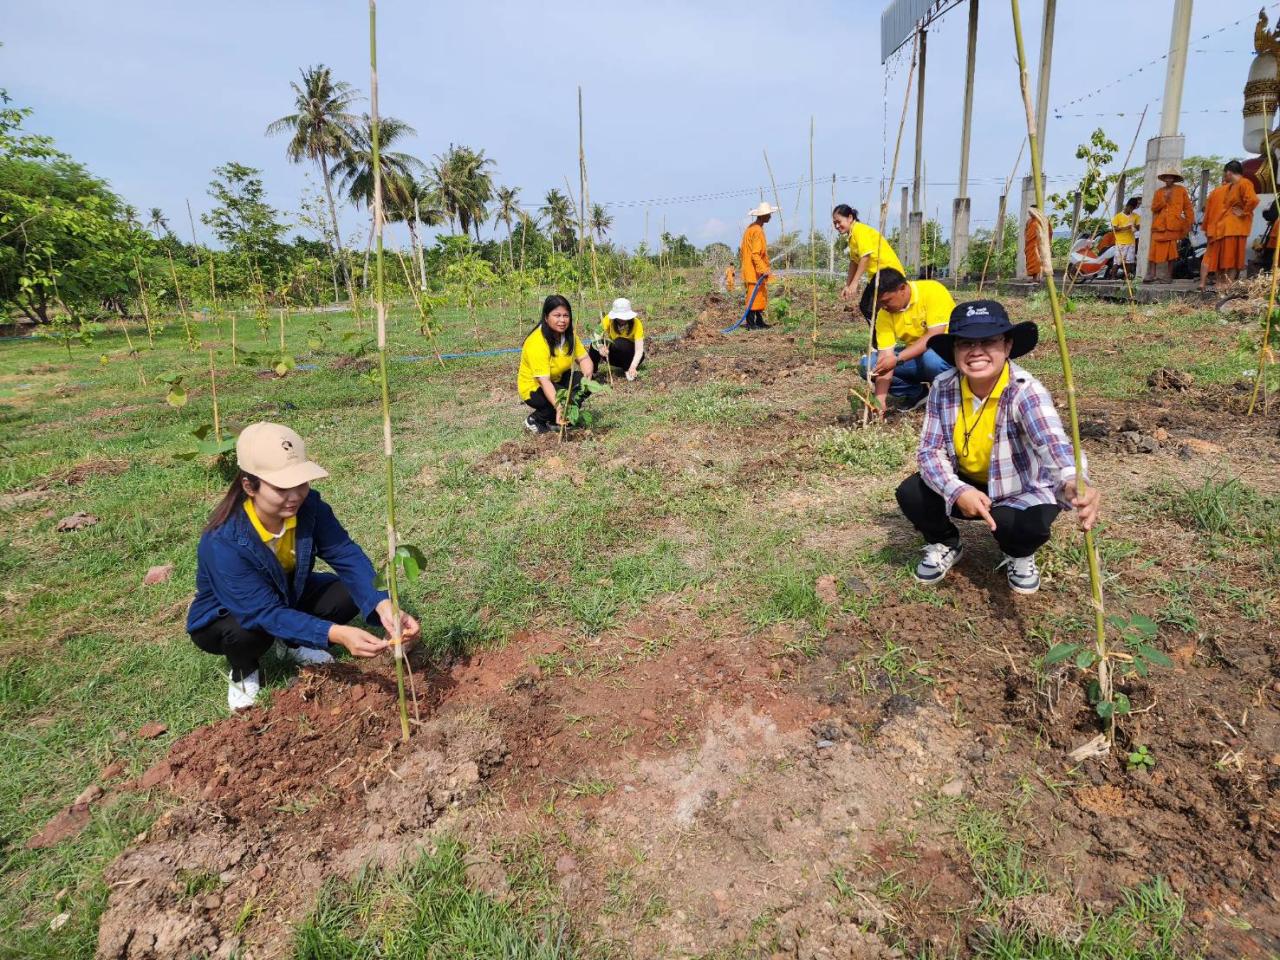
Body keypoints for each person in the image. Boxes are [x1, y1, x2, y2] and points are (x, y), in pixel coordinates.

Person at [187, 423, 421, 710]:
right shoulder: (224, 541)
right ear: (250, 486)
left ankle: (292, 643)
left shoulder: (309, 508)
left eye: (301, 483)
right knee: (246, 633)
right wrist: (336, 634)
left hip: (287, 592)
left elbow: (344, 554)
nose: (295, 495)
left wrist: (382, 604)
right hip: (229, 614)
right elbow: (262, 612)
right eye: (282, 488)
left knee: (350, 594)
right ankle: (244, 670)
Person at [894, 301, 1100, 595]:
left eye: (989, 341)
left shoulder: (1025, 390)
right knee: (912, 493)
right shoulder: (943, 386)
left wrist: (1072, 480)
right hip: (967, 482)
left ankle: (1019, 554)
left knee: (1025, 525)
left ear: (1007, 345)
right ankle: (945, 542)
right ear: (954, 351)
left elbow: (1052, 441)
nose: (976, 351)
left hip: (1019, 488)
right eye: (965, 343)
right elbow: (929, 451)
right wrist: (957, 490)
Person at [859, 268, 954, 413]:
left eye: (886, 301)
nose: (883, 307)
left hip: (947, 355)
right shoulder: (885, 314)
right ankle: (917, 393)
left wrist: (897, 359)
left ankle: (950, 397)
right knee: (869, 365)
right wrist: (880, 400)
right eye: (880, 303)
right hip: (916, 358)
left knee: (931, 358)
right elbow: (885, 358)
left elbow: (935, 336)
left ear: (902, 289)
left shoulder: (933, 291)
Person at [519, 294, 596, 434]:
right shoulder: (537, 342)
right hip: (535, 386)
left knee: (584, 382)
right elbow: (544, 381)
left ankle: (564, 417)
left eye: (566, 315)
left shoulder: (569, 335)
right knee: (556, 403)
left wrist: (587, 377)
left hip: (558, 379)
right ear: (546, 317)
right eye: (557, 315)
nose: (562, 320)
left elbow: (584, 359)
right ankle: (535, 419)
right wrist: (559, 407)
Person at [831, 204, 905, 321]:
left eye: (839, 222)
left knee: (870, 308)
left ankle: (881, 336)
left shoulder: (859, 230)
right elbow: (854, 262)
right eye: (834, 223)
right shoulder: (852, 236)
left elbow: (865, 256)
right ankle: (881, 336)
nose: (837, 226)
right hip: (877, 276)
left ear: (850, 218)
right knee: (872, 308)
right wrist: (848, 285)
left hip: (888, 273)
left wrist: (855, 283)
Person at [1215, 160, 1259, 284]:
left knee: (1232, 258)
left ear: (1229, 172)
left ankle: (1227, 284)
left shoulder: (1244, 183)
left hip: (1236, 227)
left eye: (1225, 173)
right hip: (1228, 226)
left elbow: (1253, 200)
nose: (1225, 175)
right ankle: (1224, 283)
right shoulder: (1231, 186)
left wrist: (1244, 212)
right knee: (1226, 257)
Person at [1146, 170, 1193, 283]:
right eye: (1166, 177)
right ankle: (1152, 274)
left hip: (1173, 225)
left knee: (1171, 252)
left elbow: (1187, 207)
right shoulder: (1159, 192)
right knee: (1153, 251)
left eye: (1171, 177)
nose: (1168, 179)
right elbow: (1154, 208)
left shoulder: (1181, 190)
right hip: (1159, 225)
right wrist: (1164, 200)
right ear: (1164, 179)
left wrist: (1189, 221)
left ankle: (1168, 276)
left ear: (1174, 179)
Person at [740, 202, 779, 329]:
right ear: (763, 216)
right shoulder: (757, 231)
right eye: (768, 215)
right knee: (753, 298)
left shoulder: (751, 228)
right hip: (754, 271)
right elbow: (755, 254)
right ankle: (751, 324)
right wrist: (763, 270)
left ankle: (759, 322)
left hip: (750, 269)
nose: (770, 217)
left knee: (758, 297)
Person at [589, 296, 646, 381]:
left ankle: (628, 369)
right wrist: (600, 347)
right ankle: (592, 372)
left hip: (630, 356)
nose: (622, 319)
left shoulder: (637, 324)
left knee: (620, 342)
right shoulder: (608, 319)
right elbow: (596, 333)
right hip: (615, 356)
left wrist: (633, 366)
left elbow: (639, 350)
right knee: (594, 345)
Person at [1200, 174, 1228, 291]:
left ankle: (1202, 283)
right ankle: (1219, 282)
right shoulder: (1233, 193)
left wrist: (1206, 229)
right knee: (1222, 257)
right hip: (1225, 230)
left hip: (1212, 230)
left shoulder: (1214, 192)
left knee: (1208, 256)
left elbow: (1206, 212)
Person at [1108, 197, 1141, 279]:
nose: (1131, 210)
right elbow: (1114, 229)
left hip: (1131, 242)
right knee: (1118, 261)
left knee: (1130, 261)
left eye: (1133, 208)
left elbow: (1139, 227)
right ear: (1127, 206)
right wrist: (1126, 227)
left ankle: (1126, 277)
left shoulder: (1135, 216)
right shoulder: (1118, 216)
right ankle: (1112, 277)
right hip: (1120, 242)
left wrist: (1134, 226)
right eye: (1131, 207)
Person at [1024, 207, 1047, 282]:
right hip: (1030, 245)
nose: (1029, 213)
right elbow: (1026, 232)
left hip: (1038, 244)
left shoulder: (1040, 220)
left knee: (1038, 261)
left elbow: (1047, 231)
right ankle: (1034, 278)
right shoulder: (1028, 222)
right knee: (1031, 262)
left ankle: (1039, 278)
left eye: (1031, 212)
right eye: (1029, 212)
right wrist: (1026, 242)